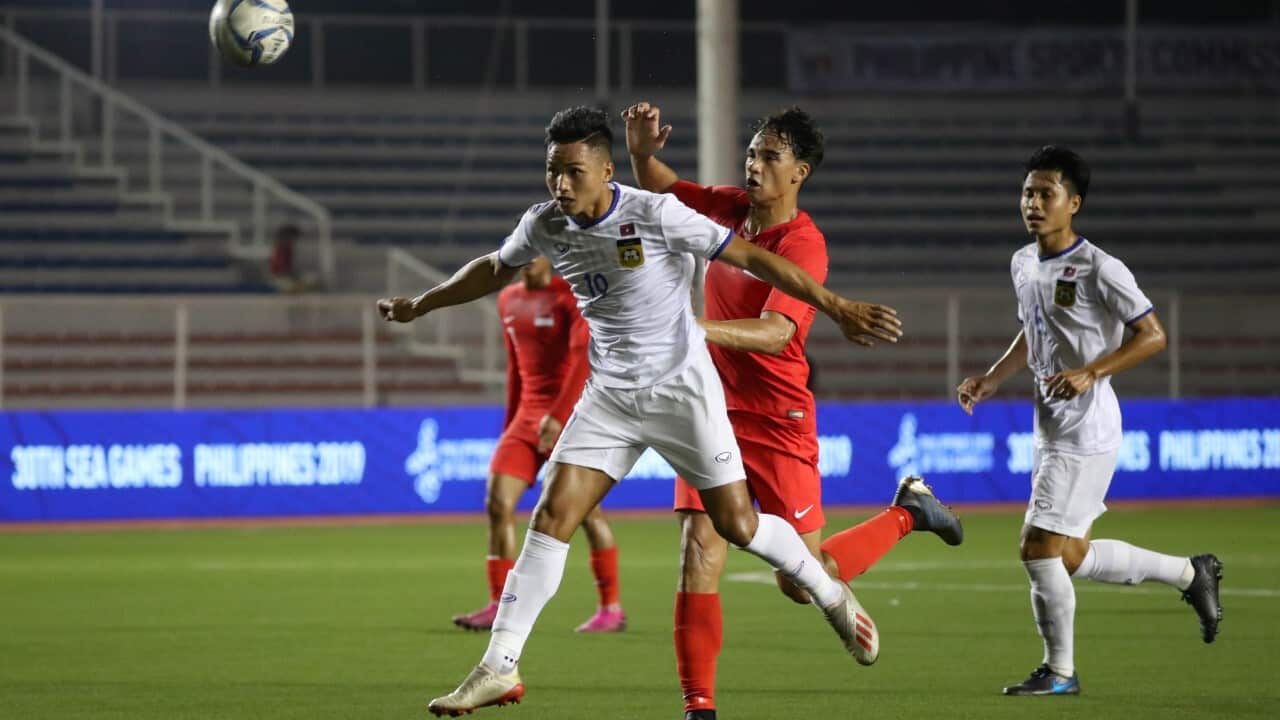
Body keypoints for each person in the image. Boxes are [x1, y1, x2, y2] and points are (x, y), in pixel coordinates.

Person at [376, 106, 904, 717]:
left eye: (573, 172)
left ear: (605, 170)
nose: (561, 185)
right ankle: (499, 667)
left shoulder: (654, 214)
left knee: (737, 524)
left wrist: (836, 306)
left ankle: (826, 590)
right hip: (612, 397)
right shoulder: (545, 224)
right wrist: (422, 304)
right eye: (552, 172)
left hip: (684, 392)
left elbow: (755, 260)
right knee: (552, 514)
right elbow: (494, 269)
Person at [624, 102, 963, 720]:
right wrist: (642, 152)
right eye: (752, 154)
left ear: (800, 171)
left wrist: (692, 330)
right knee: (699, 548)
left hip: (778, 420)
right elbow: (665, 189)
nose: (753, 166)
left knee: (801, 580)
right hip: (711, 409)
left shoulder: (804, 244)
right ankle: (699, 706)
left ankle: (909, 513)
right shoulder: (728, 207)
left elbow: (777, 333)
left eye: (769, 157)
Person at [956, 145, 1223, 697]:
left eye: (1046, 193)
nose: (1033, 202)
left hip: (1086, 430)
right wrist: (992, 377)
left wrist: (1092, 371)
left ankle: (1060, 673)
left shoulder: (1102, 268)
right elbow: (1034, 330)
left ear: (1072, 203)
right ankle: (1191, 574)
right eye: (1028, 192)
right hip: (1048, 427)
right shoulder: (1023, 262)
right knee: (1070, 556)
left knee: (1037, 548)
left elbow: (1153, 336)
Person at [450, 255, 626, 635]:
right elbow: (515, 366)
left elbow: (583, 361)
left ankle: (610, 607)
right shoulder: (507, 298)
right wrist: (510, 422)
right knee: (498, 503)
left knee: (585, 513)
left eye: (536, 250)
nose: (527, 259)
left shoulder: (570, 297)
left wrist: (560, 416)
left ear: (552, 253)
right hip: (526, 419)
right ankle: (499, 603)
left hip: (568, 417)